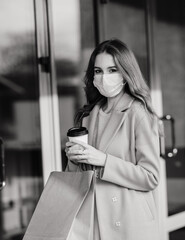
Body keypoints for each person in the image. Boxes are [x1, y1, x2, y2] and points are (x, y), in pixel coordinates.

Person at [65, 39, 161, 240]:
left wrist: (104, 161)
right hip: (93, 220)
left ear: (126, 74)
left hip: (127, 222)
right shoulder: (88, 115)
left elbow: (150, 177)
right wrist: (74, 159)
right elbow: (77, 178)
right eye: (98, 71)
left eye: (112, 70)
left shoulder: (138, 113)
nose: (104, 77)